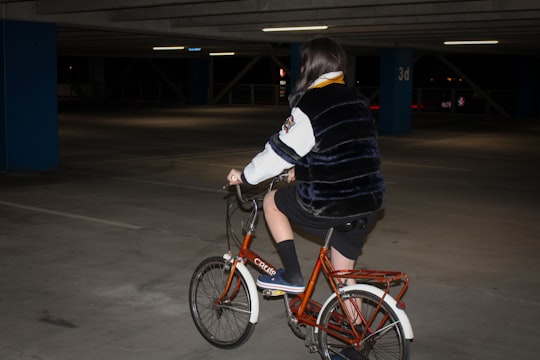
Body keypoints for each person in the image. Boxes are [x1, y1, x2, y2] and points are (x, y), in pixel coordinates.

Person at [227, 37, 385, 294]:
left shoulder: (311, 105)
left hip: (334, 203)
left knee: (271, 201)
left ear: (310, 67)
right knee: (342, 277)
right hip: (368, 201)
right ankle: (358, 331)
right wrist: (299, 172)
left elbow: (278, 154)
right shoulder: (358, 100)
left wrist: (245, 176)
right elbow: (345, 155)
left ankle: (292, 275)